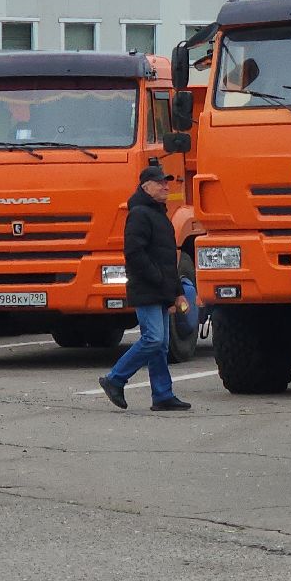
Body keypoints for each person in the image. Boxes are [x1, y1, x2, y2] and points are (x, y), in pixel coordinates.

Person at [97, 165, 191, 412]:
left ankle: (162, 395)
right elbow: (133, 252)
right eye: (160, 183)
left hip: (160, 289)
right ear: (145, 186)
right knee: (153, 339)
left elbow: (168, 259)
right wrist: (158, 279)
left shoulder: (159, 215)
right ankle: (115, 379)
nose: (166, 186)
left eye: (166, 182)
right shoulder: (139, 214)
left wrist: (177, 290)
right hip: (146, 289)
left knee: (160, 345)